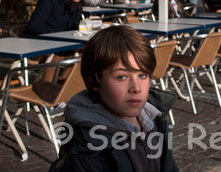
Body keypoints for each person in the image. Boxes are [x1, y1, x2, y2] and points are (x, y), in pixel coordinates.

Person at [49, 26, 179, 172]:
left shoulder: (156, 121)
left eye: (142, 75)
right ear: (96, 80)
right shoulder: (87, 149)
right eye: (121, 77)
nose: (136, 88)